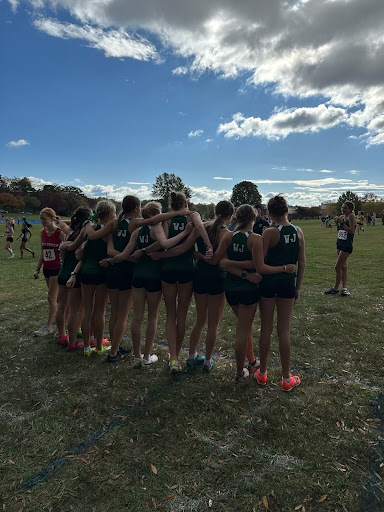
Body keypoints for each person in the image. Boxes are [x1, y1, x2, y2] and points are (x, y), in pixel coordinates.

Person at [84, 195, 194, 362]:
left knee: (129, 316)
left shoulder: (123, 226)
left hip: (129, 274)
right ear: (137, 210)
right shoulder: (143, 225)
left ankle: (130, 352)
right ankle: (142, 356)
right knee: (149, 317)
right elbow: (163, 243)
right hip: (146, 275)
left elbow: (118, 252)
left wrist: (112, 260)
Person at [252, 195, 305, 392]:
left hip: (268, 284)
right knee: (284, 330)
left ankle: (263, 373)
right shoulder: (298, 231)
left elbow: (261, 263)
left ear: (270, 212)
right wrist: (297, 287)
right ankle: (285, 377)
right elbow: (302, 262)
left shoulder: (270, 233)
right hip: (287, 286)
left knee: (266, 328)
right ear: (287, 210)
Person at [158, 191, 212, 373]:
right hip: (187, 268)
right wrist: (208, 244)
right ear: (186, 203)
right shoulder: (192, 216)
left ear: (171, 205)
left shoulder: (166, 219)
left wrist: (159, 255)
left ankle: (173, 357)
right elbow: (200, 227)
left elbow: (164, 242)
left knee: (171, 314)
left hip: (168, 269)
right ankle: (177, 355)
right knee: (181, 314)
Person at [56, 207, 92, 349]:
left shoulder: (70, 232)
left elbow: (61, 223)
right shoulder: (84, 235)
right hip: (74, 275)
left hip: (63, 272)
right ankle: (72, 342)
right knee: (75, 310)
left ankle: (61, 335)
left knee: (62, 306)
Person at [33, 208, 66, 336]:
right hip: (47, 268)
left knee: (51, 297)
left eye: (44, 219)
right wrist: (37, 269)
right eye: (40, 219)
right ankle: (63, 321)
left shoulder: (60, 233)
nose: (42, 221)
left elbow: (67, 249)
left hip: (57, 269)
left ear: (52, 219)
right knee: (56, 298)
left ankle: (48, 327)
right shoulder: (43, 232)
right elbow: (43, 252)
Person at [324, 201, 356, 297]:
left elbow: (352, 231)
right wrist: (338, 223)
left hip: (347, 245)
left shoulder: (351, 216)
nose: (343, 209)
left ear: (350, 209)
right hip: (340, 243)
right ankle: (344, 289)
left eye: (345, 208)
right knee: (343, 267)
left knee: (337, 267)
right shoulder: (342, 217)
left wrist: (341, 223)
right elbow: (339, 230)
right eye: (342, 207)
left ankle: (336, 288)